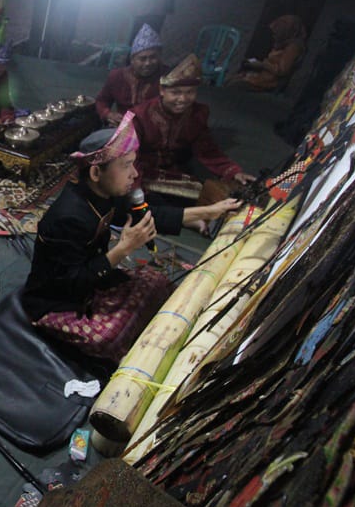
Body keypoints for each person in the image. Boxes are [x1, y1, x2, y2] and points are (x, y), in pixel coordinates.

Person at [22, 113, 241, 361]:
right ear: (96, 173)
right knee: (110, 339)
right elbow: (71, 281)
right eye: (126, 165)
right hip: (56, 299)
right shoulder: (68, 217)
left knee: (156, 282)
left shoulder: (104, 193)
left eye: (133, 163)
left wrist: (210, 211)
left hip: (93, 282)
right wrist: (123, 249)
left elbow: (149, 214)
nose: (134, 173)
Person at [130, 54, 255, 194]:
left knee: (221, 197)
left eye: (190, 92)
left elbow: (207, 149)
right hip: (137, 174)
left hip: (174, 173)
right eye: (175, 92)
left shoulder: (198, 113)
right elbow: (128, 157)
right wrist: (136, 191)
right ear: (162, 90)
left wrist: (233, 171)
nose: (183, 99)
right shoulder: (138, 116)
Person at [95, 23, 165, 126]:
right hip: (123, 129)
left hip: (155, 132)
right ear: (132, 60)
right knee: (90, 141)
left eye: (153, 57)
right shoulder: (117, 76)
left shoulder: (168, 77)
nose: (148, 63)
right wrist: (108, 114)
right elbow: (102, 100)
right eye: (142, 58)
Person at [227, 14, 308, 92]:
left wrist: (262, 65)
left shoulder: (293, 48)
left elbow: (281, 71)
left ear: (287, 31)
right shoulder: (282, 43)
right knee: (231, 78)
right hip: (262, 77)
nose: (274, 36)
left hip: (269, 83)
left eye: (276, 33)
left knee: (234, 85)